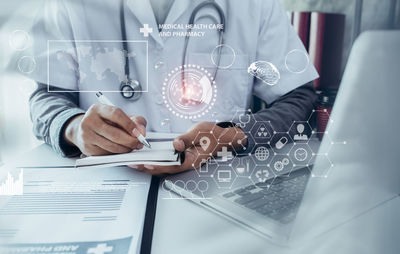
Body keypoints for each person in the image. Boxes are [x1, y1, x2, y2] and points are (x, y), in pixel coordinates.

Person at [28, 0, 318, 175]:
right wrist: (73, 126)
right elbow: (47, 97)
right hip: (105, 189)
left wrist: (233, 136)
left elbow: (299, 99)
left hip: (216, 181)